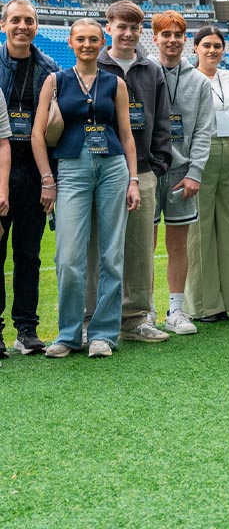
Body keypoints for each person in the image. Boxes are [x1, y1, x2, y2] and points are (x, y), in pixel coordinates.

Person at [32, 19, 139, 358]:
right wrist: (48, 179)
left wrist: (133, 179)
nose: (88, 44)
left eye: (94, 39)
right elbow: (37, 135)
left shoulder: (115, 83)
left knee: (111, 254)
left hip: (112, 168)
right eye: (81, 39)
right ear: (70, 42)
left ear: (102, 40)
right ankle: (68, 334)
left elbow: (126, 135)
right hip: (71, 168)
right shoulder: (55, 81)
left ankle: (103, 334)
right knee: (68, 256)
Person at [86, 0, 172, 343]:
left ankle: (135, 318)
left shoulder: (152, 71)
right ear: (109, 28)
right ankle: (90, 318)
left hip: (145, 171)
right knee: (97, 247)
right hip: (101, 169)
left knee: (138, 249)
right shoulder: (94, 65)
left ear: (141, 32)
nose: (127, 33)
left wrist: (160, 162)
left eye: (134, 28)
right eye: (121, 26)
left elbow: (162, 120)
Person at [148, 11, 212, 336]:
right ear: (155, 37)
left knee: (178, 244)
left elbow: (203, 131)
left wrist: (195, 172)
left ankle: (176, 309)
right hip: (147, 172)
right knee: (144, 244)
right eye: (166, 34)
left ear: (185, 40)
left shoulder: (199, 81)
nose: (172, 40)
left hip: (182, 175)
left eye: (178, 34)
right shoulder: (141, 74)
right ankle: (145, 311)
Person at [0, 0, 57, 356]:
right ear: (3, 24)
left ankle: (26, 329)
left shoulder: (49, 67)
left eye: (30, 21)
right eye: (16, 20)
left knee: (29, 254)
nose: (23, 26)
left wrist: (50, 179)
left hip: (35, 171)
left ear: (37, 26)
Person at [185, 26, 229, 322]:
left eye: (217, 46)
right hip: (201, 152)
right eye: (206, 45)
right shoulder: (186, 78)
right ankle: (203, 304)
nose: (212, 50)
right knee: (200, 229)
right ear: (195, 48)